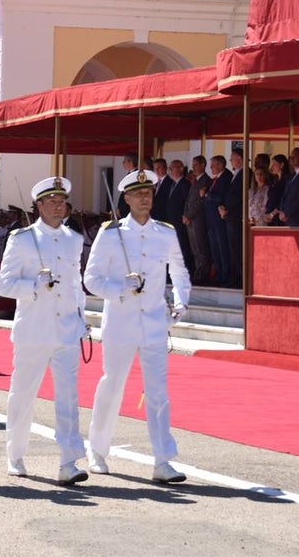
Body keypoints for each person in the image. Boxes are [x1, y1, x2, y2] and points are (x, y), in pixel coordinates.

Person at [86, 169, 191, 484]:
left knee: (158, 392)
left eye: (148, 193)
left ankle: (163, 460)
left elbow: (180, 270)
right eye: (138, 193)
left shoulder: (165, 232)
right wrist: (120, 286)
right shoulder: (111, 233)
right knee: (112, 385)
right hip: (121, 320)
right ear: (126, 198)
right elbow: (90, 279)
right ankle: (98, 450)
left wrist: (182, 301)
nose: (145, 198)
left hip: (155, 321)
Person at [0, 176, 89, 485]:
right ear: (38, 206)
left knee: (68, 397)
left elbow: (76, 283)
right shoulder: (22, 239)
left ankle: (69, 461)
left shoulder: (73, 239)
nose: (58, 206)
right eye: (51, 201)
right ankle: (15, 452)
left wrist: (81, 317)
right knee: (23, 394)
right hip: (33, 330)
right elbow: (5, 283)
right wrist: (33, 286)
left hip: (66, 329)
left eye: (61, 201)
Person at [182, 155, 212, 285]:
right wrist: (185, 214)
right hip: (190, 220)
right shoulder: (195, 181)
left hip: (198, 220)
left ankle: (203, 274)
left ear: (203, 165)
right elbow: (189, 201)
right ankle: (197, 272)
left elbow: (200, 202)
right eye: (192, 165)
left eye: (195, 165)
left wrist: (189, 215)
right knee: (195, 249)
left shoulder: (206, 180)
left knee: (201, 248)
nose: (193, 167)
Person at [219, 149, 245, 288]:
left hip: (236, 215)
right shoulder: (236, 174)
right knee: (232, 248)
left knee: (237, 248)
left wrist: (227, 208)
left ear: (240, 158)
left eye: (232, 158)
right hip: (229, 216)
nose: (231, 161)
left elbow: (239, 195)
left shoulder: (245, 173)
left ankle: (240, 277)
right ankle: (235, 276)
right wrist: (222, 206)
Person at [203, 155, 231, 286]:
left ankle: (226, 274)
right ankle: (218, 273)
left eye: (213, 165)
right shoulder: (214, 179)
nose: (211, 167)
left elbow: (222, 196)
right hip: (211, 220)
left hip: (219, 220)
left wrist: (208, 195)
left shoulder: (226, 177)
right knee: (215, 248)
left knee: (222, 247)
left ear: (220, 165)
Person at [164, 160, 192, 272]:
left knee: (182, 247)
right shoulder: (173, 184)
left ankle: (186, 270)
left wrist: (185, 215)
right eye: (169, 168)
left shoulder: (185, 184)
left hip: (180, 222)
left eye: (172, 168)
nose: (170, 170)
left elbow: (187, 202)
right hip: (171, 222)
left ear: (180, 168)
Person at [264, 154, 289, 226]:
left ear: (281, 165)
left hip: (279, 217)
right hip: (271, 217)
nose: (271, 167)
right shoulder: (275, 180)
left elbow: (282, 200)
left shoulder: (286, 181)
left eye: (274, 164)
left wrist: (272, 214)